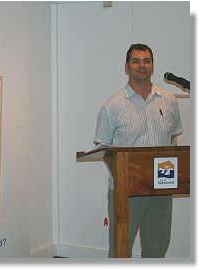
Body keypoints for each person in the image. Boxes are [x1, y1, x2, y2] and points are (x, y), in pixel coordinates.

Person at [93, 44, 183, 258]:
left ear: (152, 66)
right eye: (136, 61)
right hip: (125, 190)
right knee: (120, 251)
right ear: (127, 67)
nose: (142, 65)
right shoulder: (112, 106)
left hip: (161, 187)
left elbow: (173, 137)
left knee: (157, 250)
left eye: (147, 61)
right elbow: (103, 148)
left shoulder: (169, 100)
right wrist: (126, 173)